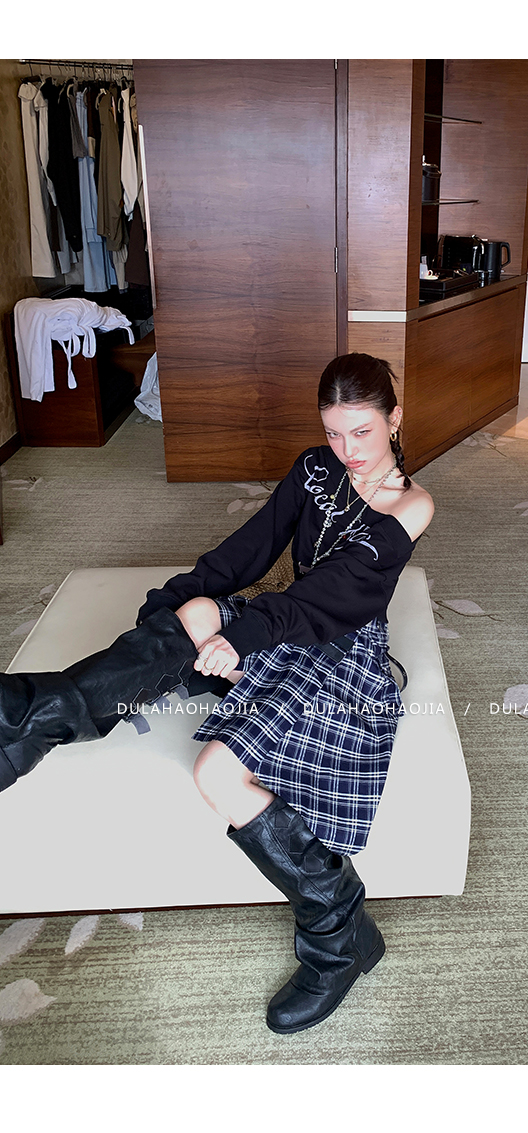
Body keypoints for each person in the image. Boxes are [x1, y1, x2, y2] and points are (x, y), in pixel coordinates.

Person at [0, 352, 434, 1035]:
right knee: (198, 609)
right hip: (280, 623)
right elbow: (248, 549)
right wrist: (180, 602)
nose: (347, 450)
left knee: (217, 771)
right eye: (334, 432)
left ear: (394, 419)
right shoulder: (314, 468)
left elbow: (333, 593)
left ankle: (339, 937)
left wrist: (243, 636)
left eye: (362, 432)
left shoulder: (412, 505)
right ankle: (26, 722)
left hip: (340, 651)